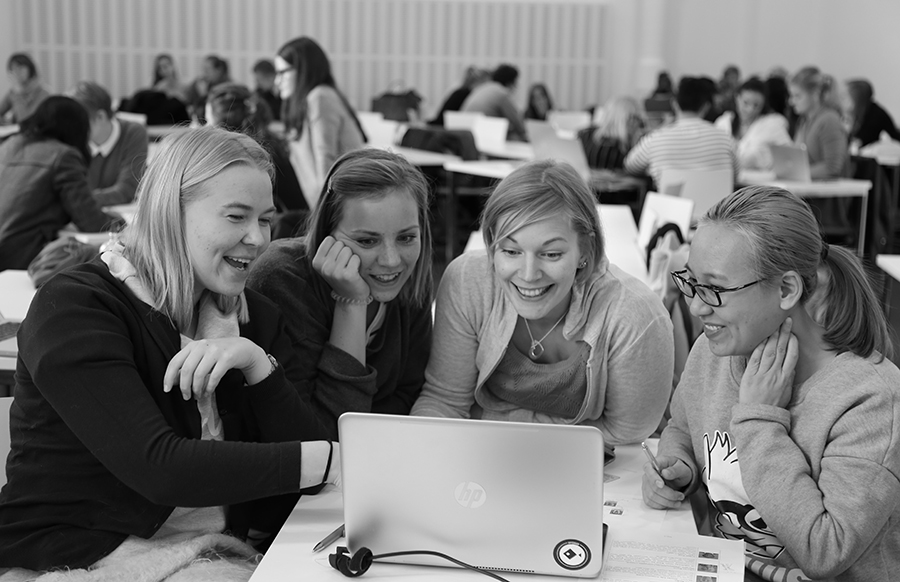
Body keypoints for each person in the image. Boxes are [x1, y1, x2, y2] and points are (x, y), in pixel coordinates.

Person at [0, 126, 339, 579]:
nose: (259, 238)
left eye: (264, 218)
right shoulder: (75, 307)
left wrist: (259, 366)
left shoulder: (252, 316)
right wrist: (336, 459)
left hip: (211, 553)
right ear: (169, 213)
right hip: (73, 553)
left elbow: (303, 479)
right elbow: (159, 467)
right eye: (236, 217)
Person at [643, 185, 900, 581]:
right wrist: (680, 466)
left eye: (714, 288)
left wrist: (760, 420)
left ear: (786, 289)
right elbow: (684, 423)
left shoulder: (871, 401)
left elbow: (824, 551)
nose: (695, 306)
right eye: (690, 281)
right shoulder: (715, 351)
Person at [412, 160, 673, 446]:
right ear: (491, 243)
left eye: (550, 254)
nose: (528, 275)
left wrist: (492, 427)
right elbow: (445, 401)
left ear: (585, 248)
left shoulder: (635, 315)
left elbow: (626, 436)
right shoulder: (467, 280)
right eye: (511, 251)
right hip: (482, 462)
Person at [247, 148, 433, 440]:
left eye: (406, 237)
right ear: (326, 235)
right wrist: (351, 303)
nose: (392, 260)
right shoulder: (280, 280)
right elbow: (320, 434)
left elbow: (408, 397)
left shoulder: (412, 278)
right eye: (367, 240)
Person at [0, 96, 121, 271]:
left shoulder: (9, 145)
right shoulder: (63, 156)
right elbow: (91, 221)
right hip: (20, 259)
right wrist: (122, 221)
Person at [275, 37, 365, 209]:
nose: (277, 81)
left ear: (303, 70)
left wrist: (324, 215)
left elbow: (326, 158)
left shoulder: (320, 97)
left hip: (338, 205)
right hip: (330, 204)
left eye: (283, 72)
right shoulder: (312, 99)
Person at [205, 82, 307, 220]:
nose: (205, 128)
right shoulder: (269, 145)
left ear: (222, 125)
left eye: (208, 121)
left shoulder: (250, 158)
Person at [625, 76, 738, 188]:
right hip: (719, 205)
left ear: (674, 104)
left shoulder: (656, 138)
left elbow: (630, 166)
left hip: (672, 205)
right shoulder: (725, 139)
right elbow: (735, 176)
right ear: (706, 106)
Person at [69, 81, 148, 205]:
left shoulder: (133, 133)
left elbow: (127, 190)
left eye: (78, 121)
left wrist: (80, 200)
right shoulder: (72, 140)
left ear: (100, 116)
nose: (73, 127)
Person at [714, 76, 791, 171]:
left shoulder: (772, 124)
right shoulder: (724, 123)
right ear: (737, 98)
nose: (750, 110)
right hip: (727, 180)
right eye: (745, 103)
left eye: (756, 105)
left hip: (759, 182)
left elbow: (790, 156)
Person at [789, 66, 848, 180]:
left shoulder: (829, 120)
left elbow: (832, 168)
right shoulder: (804, 121)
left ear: (815, 94)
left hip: (827, 194)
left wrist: (796, 173)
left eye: (797, 96)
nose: (792, 101)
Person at [461, 63, 528, 141]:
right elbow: (518, 125)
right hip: (479, 137)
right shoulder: (501, 93)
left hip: (466, 134)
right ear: (510, 83)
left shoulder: (484, 87)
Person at [577, 96, 646, 170]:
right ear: (628, 119)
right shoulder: (626, 148)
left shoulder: (585, 135)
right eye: (638, 118)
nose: (640, 124)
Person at [842, 78, 900, 149]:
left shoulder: (875, 116)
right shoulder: (854, 113)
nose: (841, 100)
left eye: (844, 97)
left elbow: (859, 143)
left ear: (857, 99)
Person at [0, 53, 50, 124]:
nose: (17, 72)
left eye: (20, 68)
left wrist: (18, 94)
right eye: (13, 69)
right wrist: (4, 122)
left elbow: (25, 121)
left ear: (30, 69)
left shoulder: (43, 93)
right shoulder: (14, 92)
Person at [184, 54, 231, 122]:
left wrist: (203, 95)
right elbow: (188, 104)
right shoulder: (200, 83)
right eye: (204, 69)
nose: (204, 73)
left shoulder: (227, 87)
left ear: (219, 70)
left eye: (207, 70)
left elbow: (212, 115)